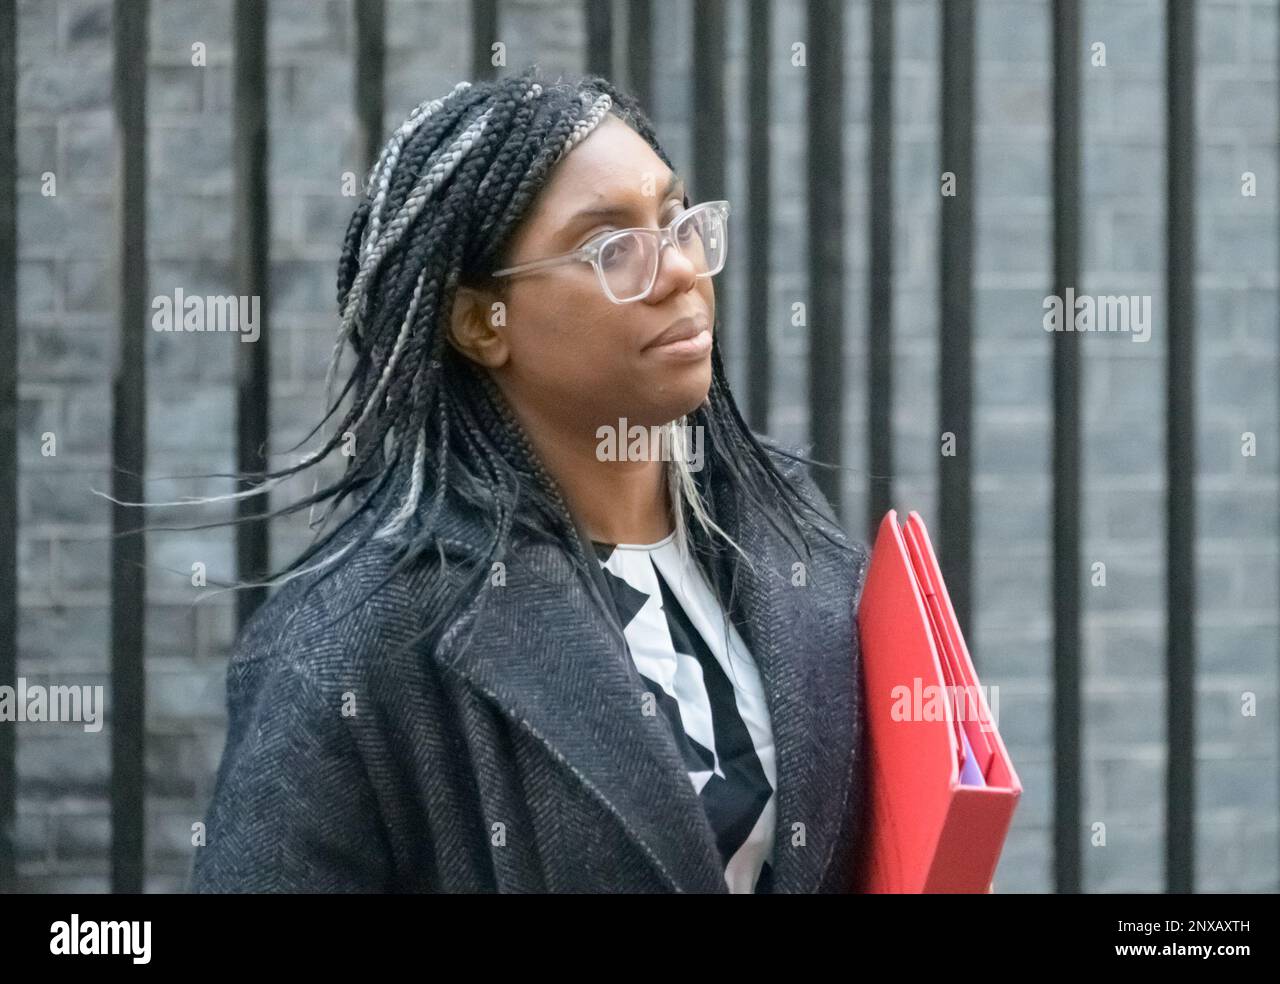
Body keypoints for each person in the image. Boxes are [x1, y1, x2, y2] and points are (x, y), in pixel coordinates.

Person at [186, 67, 870, 893]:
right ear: (480, 323)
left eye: (675, 220)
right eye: (613, 248)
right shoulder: (350, 647)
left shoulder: (785, 525)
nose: (681, 270)